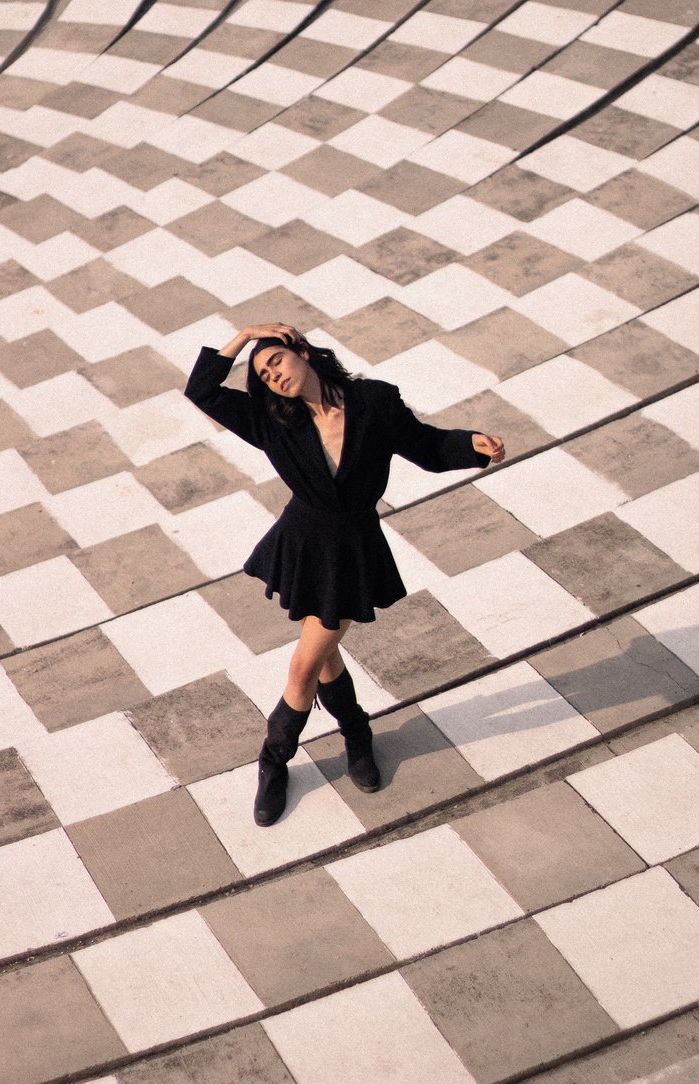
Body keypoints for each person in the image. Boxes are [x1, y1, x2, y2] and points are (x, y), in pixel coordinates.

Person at [185, 322, 505, 826]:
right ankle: (328, 744)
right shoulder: (271, 418)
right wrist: (245, 336)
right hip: (303, 543)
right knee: (316, 658)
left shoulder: (373, 401)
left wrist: (472, 446)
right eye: (264, 375)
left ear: (304, 354)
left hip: (352, 550)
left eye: (277, 364)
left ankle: (300, 753)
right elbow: (200, 389)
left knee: (306, 664)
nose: (273, 378)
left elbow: (425, 445)